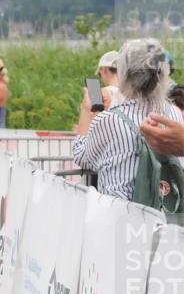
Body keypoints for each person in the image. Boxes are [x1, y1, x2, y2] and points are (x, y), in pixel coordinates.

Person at [73, 39, 183, 200]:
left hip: (121, 216)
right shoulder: (173, 113)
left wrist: (85, 109)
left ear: (124, 74)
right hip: (165, 215)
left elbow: (82, 157)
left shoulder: (108, 119)